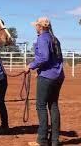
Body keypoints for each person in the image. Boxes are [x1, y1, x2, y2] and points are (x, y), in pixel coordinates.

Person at [25, 17, 64, 146]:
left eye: (36, 25)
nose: (35, 27)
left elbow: (44, 57)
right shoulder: (55, 39)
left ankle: (42, 140)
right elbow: (55, 59)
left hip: (47, 77)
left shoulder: (42, 38)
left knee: (41, 106)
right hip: (58, 76)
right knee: (53, 105)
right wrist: (39, 70)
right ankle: (54, 140)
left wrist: (31, 66)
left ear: (40, 27)